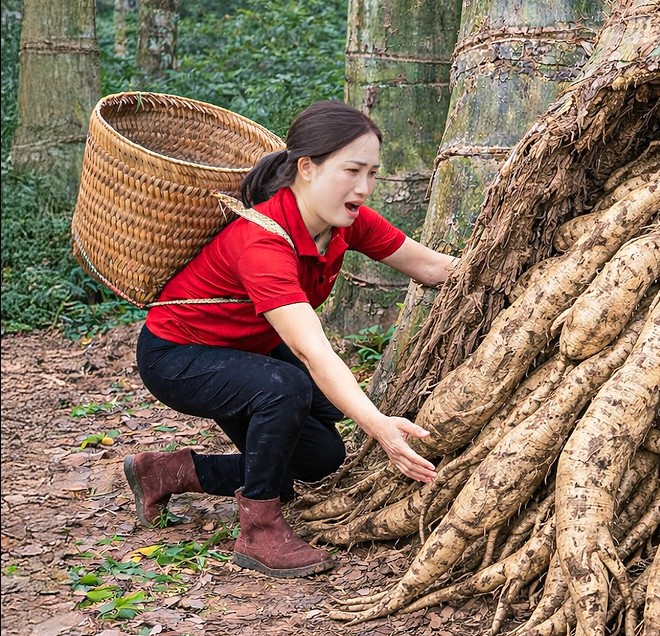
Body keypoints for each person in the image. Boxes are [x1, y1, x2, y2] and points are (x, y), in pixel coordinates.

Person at [124, 100, 456, 579]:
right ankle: (259, 530)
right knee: (284, 388)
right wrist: (378, 424)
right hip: (179, 356)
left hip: (246, 350)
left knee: (320, 458)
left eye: (373, 173)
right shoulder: (264, 242)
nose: (363, 188)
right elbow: (309, 349)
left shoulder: (346, 221)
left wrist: (524, 266)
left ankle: (167, 472)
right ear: (306, 168)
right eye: (351, 171)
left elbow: (430, 267)